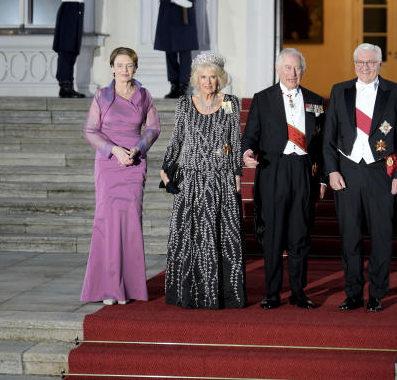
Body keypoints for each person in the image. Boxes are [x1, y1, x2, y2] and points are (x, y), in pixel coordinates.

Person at [323, 43, 397, 312]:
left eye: (371, 62)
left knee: (382, 237)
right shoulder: (340, 91)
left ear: (380, 64)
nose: (365, 67)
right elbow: (328, 136)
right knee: (350, 237)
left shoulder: (396, 92)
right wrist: (332, 170)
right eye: (360, 63)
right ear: (354, 64)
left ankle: (376, 292)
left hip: (380, 174)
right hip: (347, 172)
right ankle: (352, 292)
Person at [241, 48, 326, 310]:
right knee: (274, 235)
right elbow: (250, 136)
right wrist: (246, 153)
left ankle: (299, 292)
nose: (293, 73)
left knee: (300, 234)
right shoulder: (263, 99)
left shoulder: (315, 100)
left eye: (297, 68)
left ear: (303, 70)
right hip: (273, 170)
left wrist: (322, 179)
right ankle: (273, 293)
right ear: (278, 69)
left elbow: (322, 144)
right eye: (288, 68)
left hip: (302, 170)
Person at [160, 52, 246, 309]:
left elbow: (234, 141)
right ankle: (189, 294)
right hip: (192, 180)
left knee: (222, 236)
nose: (208, 82)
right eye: (203, 77)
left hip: (220, 179)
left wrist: (236, 174)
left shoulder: (230, 102)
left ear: (220, 78)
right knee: (190, 237)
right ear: (196, 79)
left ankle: (222, 296)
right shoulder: (185, 104)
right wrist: (166, 169)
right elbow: (177, 139)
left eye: (213, 77)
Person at [80, 47, 161, 305]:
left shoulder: (145, 96)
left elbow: (154, 128)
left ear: (135, 69)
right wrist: (114, 150)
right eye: (120, 65)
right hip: (108, 164)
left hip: (134, 164)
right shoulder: (101, 97)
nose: (125, 70)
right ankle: (107, 288)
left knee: (129, 224)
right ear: (112, 68)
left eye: (129, 65)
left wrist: (137, 148)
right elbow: (90, 131)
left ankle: (127, 288)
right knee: (106, 223)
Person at [53, 0, 86, 98]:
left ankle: (69, 85)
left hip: (77, 12)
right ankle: (64, 85)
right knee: (66, 49)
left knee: (72, 50)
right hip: (68, 11)